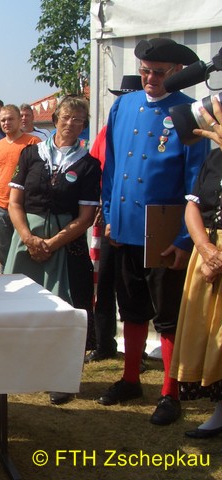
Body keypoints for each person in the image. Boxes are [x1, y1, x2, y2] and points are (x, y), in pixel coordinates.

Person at [97, 38, 209, 427]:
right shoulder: (123, 105)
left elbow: (196, 179)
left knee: (168, 315)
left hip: (164, 228)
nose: (149, 78)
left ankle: (170, 392)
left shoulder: (189, 111)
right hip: (125, 224)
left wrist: (183, 239)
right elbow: (112, 167)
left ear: (176, 72)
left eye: (158, 73)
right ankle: (130, 379)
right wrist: (109, 214)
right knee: (130, 307)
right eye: (144, 71)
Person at [4, 95, 100, 405]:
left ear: (84, 125)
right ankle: (22, 368)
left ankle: (63, 377)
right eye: (66, 117)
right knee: (19, 305)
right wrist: (28, 238)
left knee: (66, 309)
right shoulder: (31, 154)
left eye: (78, 120)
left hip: (66, 243)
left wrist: (52, 243)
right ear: (56, 119)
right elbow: (14, 202)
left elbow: (86, 217)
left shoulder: (89, 165)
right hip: (26, 238)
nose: (71, 124)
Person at [170, 97, 222, 439]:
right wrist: (205, 249)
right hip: (209, 252)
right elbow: (194, 205)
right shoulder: (214, 158)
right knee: (211, 337)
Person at [85, 75, 143, 363]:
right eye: (122, 96)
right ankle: (104, 342)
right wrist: (100, 203)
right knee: (104, 281)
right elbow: (96, 168)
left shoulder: (147, 128)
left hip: (138, 218)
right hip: (107, 214)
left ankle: (136, 351)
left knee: (134, 287)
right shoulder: (108, 130)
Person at [0, 104, 40, 272]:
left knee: (25, 250)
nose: (6, 123)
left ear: (19, 120)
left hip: (24, 207)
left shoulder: (33, 142)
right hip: (0, 207)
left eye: (10, 119)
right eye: (3, 120)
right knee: (3, 251)